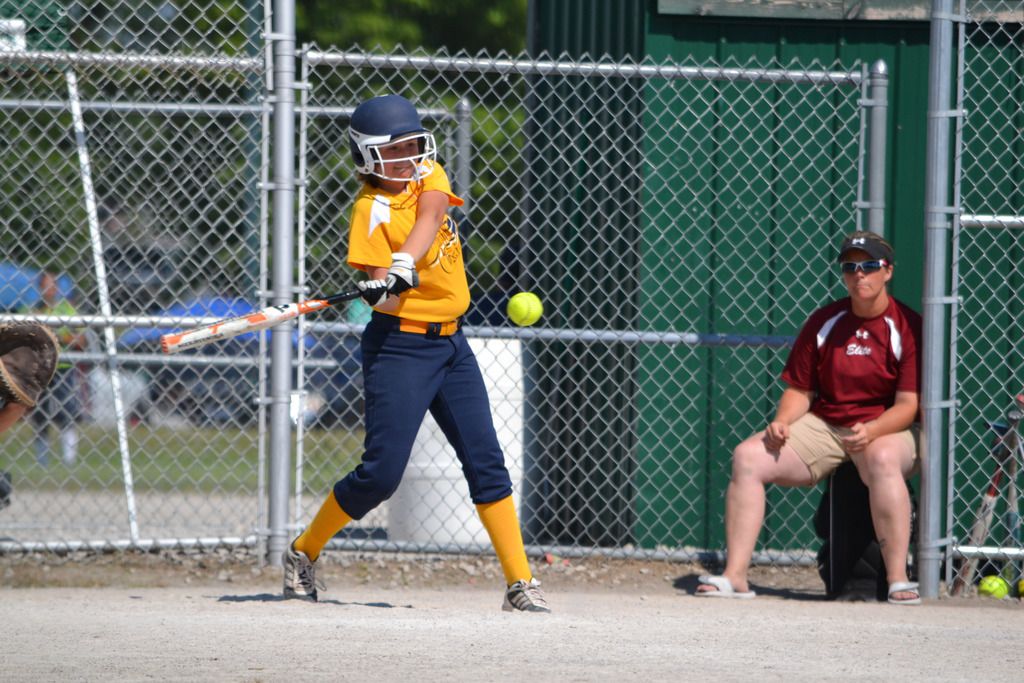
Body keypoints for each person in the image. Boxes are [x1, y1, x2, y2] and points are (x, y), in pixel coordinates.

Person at [281, 94, 549, 613]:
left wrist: (404, 259)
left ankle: (520, 582)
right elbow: (392, 296)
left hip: (452, 344)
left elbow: (430, 214)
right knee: (381, 474)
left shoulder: (429, 176)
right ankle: (303, 551)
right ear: (367, 157)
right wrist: (384, 286)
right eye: (396, 151)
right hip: (399, 348)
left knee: (486, 462)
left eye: (412, 147)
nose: (409, 158)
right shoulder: (369, 211)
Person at [695, 231, 923, 605]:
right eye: (850, 268)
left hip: (888, 427)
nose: (859, 275)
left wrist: (874, 430)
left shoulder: (906, 325)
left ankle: (898, 579)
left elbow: (907, 405)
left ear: (888, 271)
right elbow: (801, 390)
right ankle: (734, 576)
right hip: (829, 426)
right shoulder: (826, 321)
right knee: (748, 457)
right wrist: (783, 420)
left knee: (882, 459)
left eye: (868, 266)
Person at [22, 272, 87, 466]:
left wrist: (59, 336)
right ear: (40, 289)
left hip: (63, 367)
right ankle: (42, 460)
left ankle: (69, 459)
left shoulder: (67, 309)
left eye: (53, 286)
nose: (50, 290)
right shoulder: (32, 310)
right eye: (46, 286)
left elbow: (81, 341)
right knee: (40, 413)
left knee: (67, 411)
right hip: (40, 368)